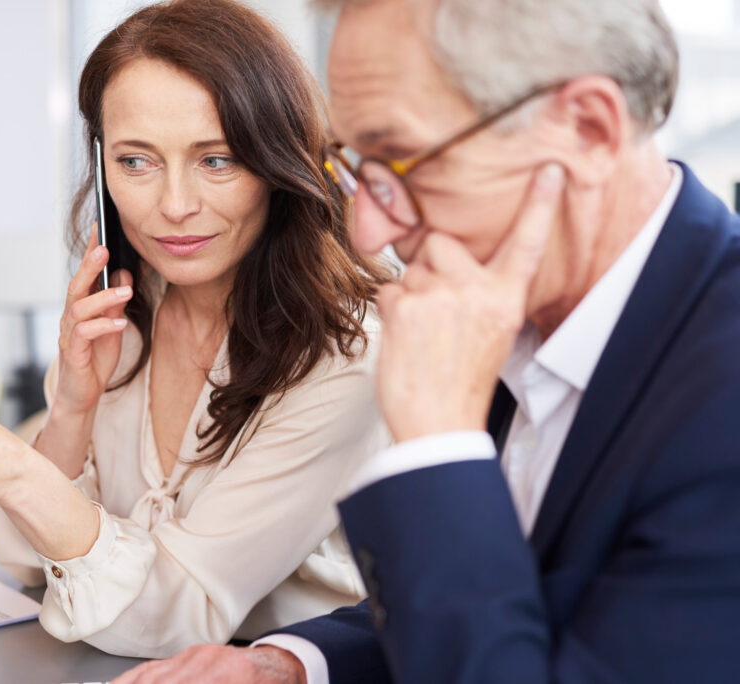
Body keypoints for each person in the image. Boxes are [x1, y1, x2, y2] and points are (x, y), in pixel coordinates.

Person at [114, 0, 740, 682]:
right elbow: (488, 599)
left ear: (588, 130)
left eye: (404, 164)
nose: (369, 232)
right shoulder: (519, 312)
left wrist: (438, 444)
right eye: (354, 167)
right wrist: (286, 665)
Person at [0, 0, 392, 659]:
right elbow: (32, 561)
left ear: (277, 164)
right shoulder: (124, 312)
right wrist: (72, 409)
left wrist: (21, 474)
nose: (174, 205)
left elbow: (184, 615)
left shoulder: (344, 355)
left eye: (217, 160)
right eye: (136, 161)